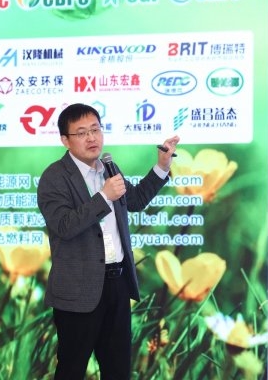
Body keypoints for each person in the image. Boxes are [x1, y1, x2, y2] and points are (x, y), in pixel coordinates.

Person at [37, 103, 179, 380]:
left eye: (95, 129)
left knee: (118, 370)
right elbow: (64, 226)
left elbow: (135, 200)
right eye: (81, 133)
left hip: (117, 284)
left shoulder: (109, 168)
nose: (91, 138)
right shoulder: (54, 177)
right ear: (65, 140)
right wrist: (103, 197)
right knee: (71, 370)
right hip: (78, 291)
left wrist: (162, 167)